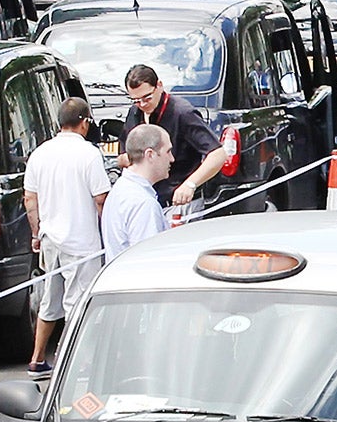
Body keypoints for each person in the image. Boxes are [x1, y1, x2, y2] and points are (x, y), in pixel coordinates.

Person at [22, 97, 111, 377]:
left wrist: (36, 233)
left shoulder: (40, 153)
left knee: (51, 299)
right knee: (78, 302)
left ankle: (37, 358)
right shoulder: (89, 154)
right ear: (84, 122)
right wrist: (106, 232)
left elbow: (30, 200)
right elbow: (101, 198)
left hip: (50, 238)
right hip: (81, 239)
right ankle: (73, 363)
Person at [120, 63, 227, 209]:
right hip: (147, 200)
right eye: (136, 100)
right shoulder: (134, 112)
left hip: (180, 202)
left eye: (147, 97)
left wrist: (190, 184)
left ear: (159, 86)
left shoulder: (183, 113)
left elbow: (218, 154)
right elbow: (123, 156)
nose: (142, 104)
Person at [102, 124, 172, 259]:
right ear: (150, 155)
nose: (172, 159)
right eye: (168, 152)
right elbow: (148, 261)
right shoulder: (143, 203)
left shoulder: (120, 188)